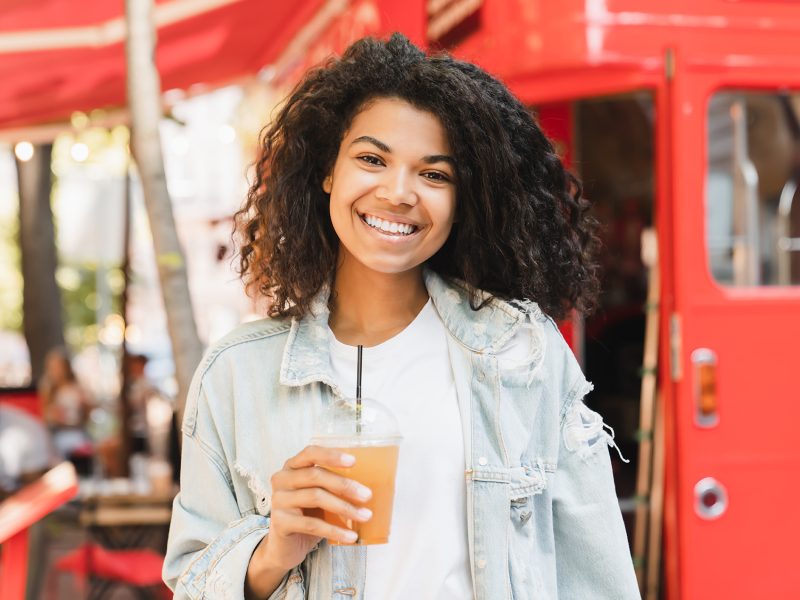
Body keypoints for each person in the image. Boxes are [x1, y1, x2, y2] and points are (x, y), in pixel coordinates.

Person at [163, 34, 640, 599]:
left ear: (465, 199)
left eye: (434, 174)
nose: (398, 192)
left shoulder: (520, 349)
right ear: (327, 172)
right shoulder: (236, 375)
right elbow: (191, 581)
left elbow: (598, 577)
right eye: (371, 159)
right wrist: (271, 552)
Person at [38, 347, 92, 461]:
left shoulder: (77, 388)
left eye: (58, 367)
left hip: (75, 433)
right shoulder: (47, 389)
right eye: (52, 367)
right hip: (54, 435)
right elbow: (44, 416)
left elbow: (86, 415)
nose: (56, 371)